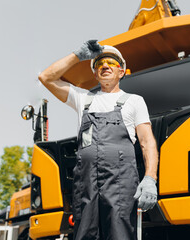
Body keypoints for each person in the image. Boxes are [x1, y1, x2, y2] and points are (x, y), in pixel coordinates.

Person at [38, 40, 159, 240]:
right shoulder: (83, 99)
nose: (104, 66)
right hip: (85, 182)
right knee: (84, 234)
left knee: (119, 234)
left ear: (121, 71)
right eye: (99, 64)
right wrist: (77, 55)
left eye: (111, 62)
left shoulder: (134, 101)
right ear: (95, 74)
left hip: (120, 181)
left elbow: (147, 142)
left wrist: (150, 179)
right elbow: (46, 77)